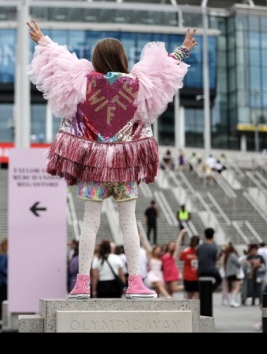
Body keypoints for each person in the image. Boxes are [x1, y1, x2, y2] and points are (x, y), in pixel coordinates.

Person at [26, 19, 197, 300]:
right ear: (122, 58)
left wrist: (42, 40)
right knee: (129, 222)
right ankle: (135, 283)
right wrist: (183, 49)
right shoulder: (137, 84)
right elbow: (165, 71)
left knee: (89, 222)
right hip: (123, 167)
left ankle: (82, 284)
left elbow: (59, 63)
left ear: (96, 58)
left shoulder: (83, 82)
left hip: (93, 167)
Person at [140, 232, 172, 298]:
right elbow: (146, 249)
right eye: (156, 250)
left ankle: (157, 300)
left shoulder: (161, 258)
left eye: (159, 250)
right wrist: (143, 240)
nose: (157, 251)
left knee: (158, 290)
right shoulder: (151, 257)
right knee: (158, 284)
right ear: (154, 250)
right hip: (152, 274)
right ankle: (167, 296)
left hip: (159, 274)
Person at [161, 229, 186, 297]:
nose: (172, 246)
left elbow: (178, 244)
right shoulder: (164, 253)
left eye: (173, 245)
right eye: (171, 245)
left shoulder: (173, 253)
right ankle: (170, 305)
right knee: (170, 291)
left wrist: (181, 234)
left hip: (173, 272)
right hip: (166, 273)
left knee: (173, 289)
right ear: (168, 245)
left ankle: (188, 286)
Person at [196, 227, 222, 292]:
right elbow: (214, 261)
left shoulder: (200, 247)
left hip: (201, 270)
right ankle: (211, 289)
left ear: (205, 235)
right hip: (211, 270)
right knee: (219, 280)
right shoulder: (214, 248)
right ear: (213, 236)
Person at [179, 235, 200, 299]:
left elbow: (181, 258)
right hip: (195, 276)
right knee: (197, 296)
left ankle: (187, 308)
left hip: (189, 276)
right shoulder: (199, 251)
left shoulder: (186, 251)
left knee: (189, 296)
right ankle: (195, 308)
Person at [223, 242, 243, 307]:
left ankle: (232, 300)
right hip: (235, 273)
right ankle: (233, 300)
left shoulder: (227, 256)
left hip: (229, 274)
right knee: (237, 287)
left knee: (233, 288)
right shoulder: (233, 255)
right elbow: (238, 264)